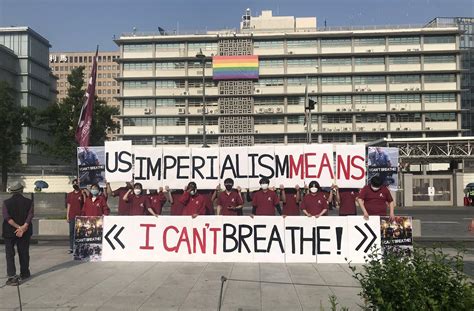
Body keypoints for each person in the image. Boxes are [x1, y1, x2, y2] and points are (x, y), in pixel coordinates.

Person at [2, 182, 34, 286]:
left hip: (9, 231)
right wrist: (23, 227)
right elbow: (30, 215)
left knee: (10, 254)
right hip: (25, 231)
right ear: (22, 190)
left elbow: (7, 218)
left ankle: (12, 276)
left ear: (12, 191)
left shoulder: (6, 203)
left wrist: (18, 227)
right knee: (24, 252)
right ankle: (25, 272)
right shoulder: (29, 202)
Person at [66, 179, 84, 253]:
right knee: (71, 232)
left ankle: (78, 247)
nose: (75, 185)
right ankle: (71, 247)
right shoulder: (70, 194)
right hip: (72, 215)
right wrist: (67, 215)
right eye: (74, 184)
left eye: (76, 183)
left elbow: (84, 203)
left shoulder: (82, 194)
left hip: (80, 216)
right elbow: (68, 205)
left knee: (79, 232)